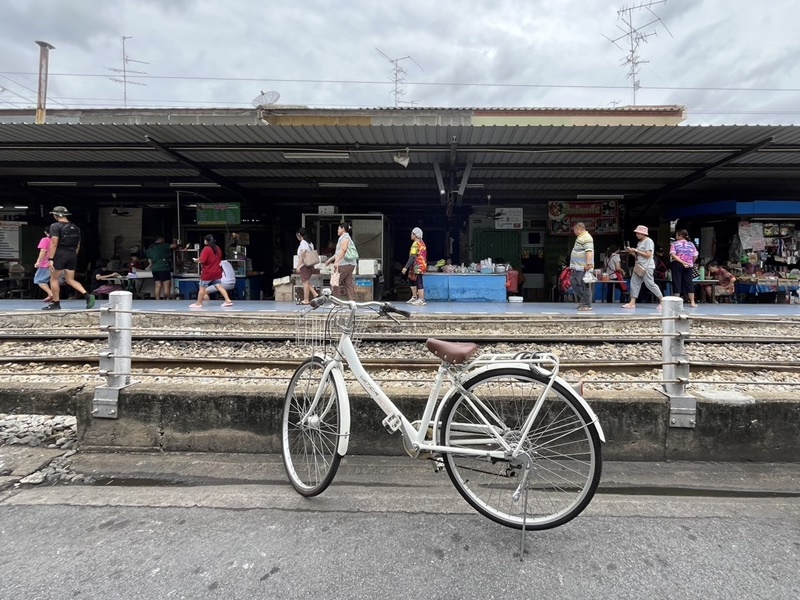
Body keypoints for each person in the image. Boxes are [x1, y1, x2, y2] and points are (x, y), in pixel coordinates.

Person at [43, 206, 95, 311]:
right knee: (70, 279)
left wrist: (50, 259)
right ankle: (87, 295)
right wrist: (73, 255)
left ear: (57, 215)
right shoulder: (75, 227)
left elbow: (54, 243)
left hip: (60, 254)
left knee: (54, 279)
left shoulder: (55, 226)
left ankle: (56, 303)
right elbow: (78, 244)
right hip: (72, 255)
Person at [622, 225, 663, 310]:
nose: (636, 234)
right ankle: (632, 302)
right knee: (634, 283)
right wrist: (632, 253)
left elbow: (648, 255)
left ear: (643, 233)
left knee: (650, 284)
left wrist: (636, 250)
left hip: (647, 267)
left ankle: (662, 300)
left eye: (638, 233)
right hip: (639, 266)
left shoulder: (648, 241)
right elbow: (639, 256)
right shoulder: (640, 242)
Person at [189, 234, 233, 308]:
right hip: (216, 271)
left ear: (206, 241)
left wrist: (196, 260)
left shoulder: (206, 249)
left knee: (202, 288)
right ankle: (228, 300)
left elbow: (202, 260)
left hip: (208, 272)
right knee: (219, 286)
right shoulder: (218, 248)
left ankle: (198, 303)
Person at [325, 221, 357, 301]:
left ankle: (336, 302)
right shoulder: (346, 238)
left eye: (339, 228)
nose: (337, 230)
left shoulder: (345, 238)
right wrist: (330, 260)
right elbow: (338, 253)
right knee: (348, 283)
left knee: (334, 282)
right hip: (350, 264)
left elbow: (343, 250)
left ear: (343, 229)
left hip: (344, 264)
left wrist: (336, 262)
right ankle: (352, 302)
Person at [669, 229, 699, 308]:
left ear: (680, 236)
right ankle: (692, 302)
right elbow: (695, 255)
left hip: (677, 264)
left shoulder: (674, 244)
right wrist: (690, 262)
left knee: (677, 282)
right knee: (689, 282)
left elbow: (673, 255)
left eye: (676, 235)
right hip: (689, 265)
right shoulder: (691, 244)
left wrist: (682, 262)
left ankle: (676, 303)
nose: (676, 237)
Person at [569, 222, 594, 311]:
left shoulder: (587, 237)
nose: (574, 232)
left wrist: (588, 264)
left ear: (578, 229)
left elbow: (589, 251)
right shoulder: (580, 237)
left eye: (574, 230)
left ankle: (587, 304)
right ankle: (584, 300)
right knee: (573, 281)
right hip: (577, 267)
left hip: (583, 267)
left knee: (585, 285)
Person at [401, 227, 428, 306]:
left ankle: (421, 299)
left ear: (415, 235)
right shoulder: (421, 242)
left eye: (412, 233)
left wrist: (405, 267)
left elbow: (413, 256)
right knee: (411, 279)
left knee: (418, 281)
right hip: (416, 265)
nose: (411, 235)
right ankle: (414, 297)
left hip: (418, 265)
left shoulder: (416, 243)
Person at [146, 235, 178, 300]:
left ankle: (157, 300)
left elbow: (149, 260)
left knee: (158, 285)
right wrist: (174, 241)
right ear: (160, 239)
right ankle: (167, 299)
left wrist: (151, 265)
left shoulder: (150, 248)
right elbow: (174, 246)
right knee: (166, 284)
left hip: (154, 268)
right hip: (163, 267)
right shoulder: (163, 245)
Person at [295, 227, 319, 305]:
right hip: (310, 265)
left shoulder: (303, 242)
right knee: (305, 281)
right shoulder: (310, 243)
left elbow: (303, 254)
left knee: (305, 282)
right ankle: (314, 293)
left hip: (305, 266)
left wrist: (298, 266)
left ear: (299, 235)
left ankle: (306, 299)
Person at [33, 229, 54, 302]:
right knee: (54, 280)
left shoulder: (45, 240)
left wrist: (38, 262)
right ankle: (54, 295)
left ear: (46, 232)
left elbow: (43, 251)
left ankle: (51, 294)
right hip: (56, 263)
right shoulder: (57, 241)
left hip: (45, 264)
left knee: (39, 280)